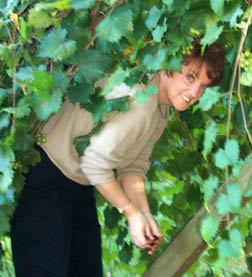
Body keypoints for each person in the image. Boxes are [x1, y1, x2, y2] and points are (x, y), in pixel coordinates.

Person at [10, 38, 224, 277]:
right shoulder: (142, 101)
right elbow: (94, 163)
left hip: (78, 188)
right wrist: (130, 213)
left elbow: (133, 167)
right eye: (191, 77)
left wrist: (144, 214)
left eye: (203, 85)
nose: (195, 92)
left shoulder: (160, 107)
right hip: (47, 182)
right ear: (167, 66)